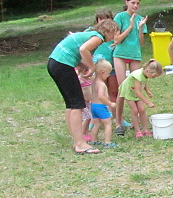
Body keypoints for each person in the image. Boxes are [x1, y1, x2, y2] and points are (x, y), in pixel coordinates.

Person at [47, 19, 120, 154]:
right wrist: (92, 67)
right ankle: (80, 144)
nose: (114, 37)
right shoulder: (98, 37)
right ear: (109, 31)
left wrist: (82, 65)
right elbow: (83, 49)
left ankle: (77, 140)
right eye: (115, 33)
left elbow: (75, 52)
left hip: (54, 62)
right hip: (63, 64)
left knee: (70, 104)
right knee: (77, 104)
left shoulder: (89, 34)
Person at [113, 0, 148, 135]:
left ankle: (137, 122)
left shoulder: (141, 19)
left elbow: (141, 42)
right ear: (126, 2)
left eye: (138, 3)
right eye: (133, 3)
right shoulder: (120, 17)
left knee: (135, 87)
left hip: (135, 55)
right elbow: (116, 40)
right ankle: (118, 122)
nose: (135, 6)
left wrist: (139, 27)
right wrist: (130, 26)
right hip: (120, 55)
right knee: (122, 89)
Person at [117, 59, 164, 138]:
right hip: (128, 91)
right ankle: (137, 131)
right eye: (153, 76)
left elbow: (144, 82)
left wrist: (147, 91)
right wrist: (148, 102)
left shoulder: (145, 73)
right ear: (148, 71)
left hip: (135, 91)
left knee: (142, 109)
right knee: (135, 110)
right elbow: (138, 93)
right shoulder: (138, 75)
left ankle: (145, 129)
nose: (153, 78)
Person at [91, 9, 119, 116]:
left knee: (113, 91)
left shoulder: (113, 32)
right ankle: (97, 116)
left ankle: (116, 115)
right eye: (100, 19)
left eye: (106, 19)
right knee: (98, 92)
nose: (103, 22)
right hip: (98, 66)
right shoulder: (92, 32)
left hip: (111, 66)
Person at [90, 59, 118, 148]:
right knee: (108, 123)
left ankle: (93, 140)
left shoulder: (93, 81)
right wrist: (110, 104)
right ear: (102, 72)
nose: (109, 75)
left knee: (96, 124)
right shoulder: (101, 84)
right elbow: (101, 96)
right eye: (108, 73)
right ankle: (107, 142)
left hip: (93, 106)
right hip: (100, 107)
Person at [76, 63, 94, 141]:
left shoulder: (88, 79)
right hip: (83, 102)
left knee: (89, 117)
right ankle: (82, 134)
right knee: (86, 118)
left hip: (88, 102)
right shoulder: (80, 80)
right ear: (84, 71)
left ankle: (86, 133)